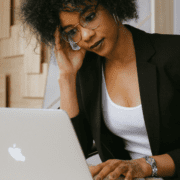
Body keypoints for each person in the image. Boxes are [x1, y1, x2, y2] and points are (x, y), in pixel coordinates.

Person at [17, 0, 180, 179]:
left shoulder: (173, 53)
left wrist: (145, 166)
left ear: (112, 5)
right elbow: (73, 151)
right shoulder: (87, 72)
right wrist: (67, 77)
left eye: (90, 17)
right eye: (72, 31)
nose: (85, 35)